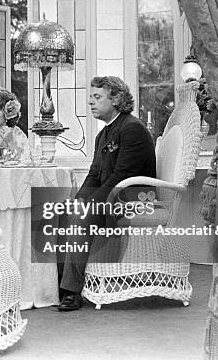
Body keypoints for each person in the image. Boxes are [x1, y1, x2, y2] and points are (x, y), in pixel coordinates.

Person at [58, 76, 156, 311]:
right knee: (63, 211)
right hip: (111, 197)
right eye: (90, 97)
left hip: (132, 200)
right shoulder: (102, 135)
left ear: (117, 99)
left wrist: (89, 205)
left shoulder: (132, 128)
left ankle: (72, 292)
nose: (91, 102)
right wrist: (79, 199)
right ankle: (61, 287)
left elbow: (120, 177)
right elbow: (94, 174)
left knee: (81, 216)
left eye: (97, 97)